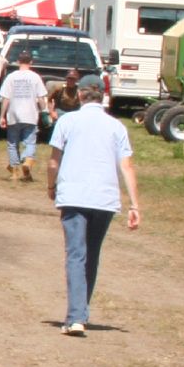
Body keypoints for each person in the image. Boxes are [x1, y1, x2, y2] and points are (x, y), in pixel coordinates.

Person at [46, 80, 141, 336]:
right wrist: (134, 205)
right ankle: (80, 313)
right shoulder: (116, 126)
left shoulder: (67, 122)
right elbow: (127, 166)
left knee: (76, 254)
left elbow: (54, 161)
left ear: (79, 95)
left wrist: (51, 186)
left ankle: (76, 316)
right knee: (91, 254)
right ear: (103, 96)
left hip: (75, 195)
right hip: (104, 199)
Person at [0, 50, 50, 181]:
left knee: (12, 143)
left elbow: (5, 98)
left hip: (14, 115)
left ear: (18, 61)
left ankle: (15, 171)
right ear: (31, 62)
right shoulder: (35, 77)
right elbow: (42, 98)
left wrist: (2, 116)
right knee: (30, 142)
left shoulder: (11, 77)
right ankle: (27, 161)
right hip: (30, 115)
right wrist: (44, 111)